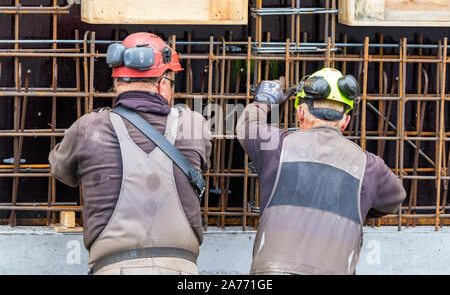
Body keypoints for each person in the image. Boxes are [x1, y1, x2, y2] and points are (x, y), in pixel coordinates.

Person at [49, 32, 211, 275]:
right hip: (182, 271)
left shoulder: (89, 128)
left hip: (113, 267)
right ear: (164, 85)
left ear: (117, 84)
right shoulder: (195, 125)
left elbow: (60, 171)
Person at [236, 67, 406, 275]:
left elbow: (246, 125)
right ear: (345, 121)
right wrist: (358, 203)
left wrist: (265, 99)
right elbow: (396, 198)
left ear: (300, 112)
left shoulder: (277, 146)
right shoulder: (369, 166)